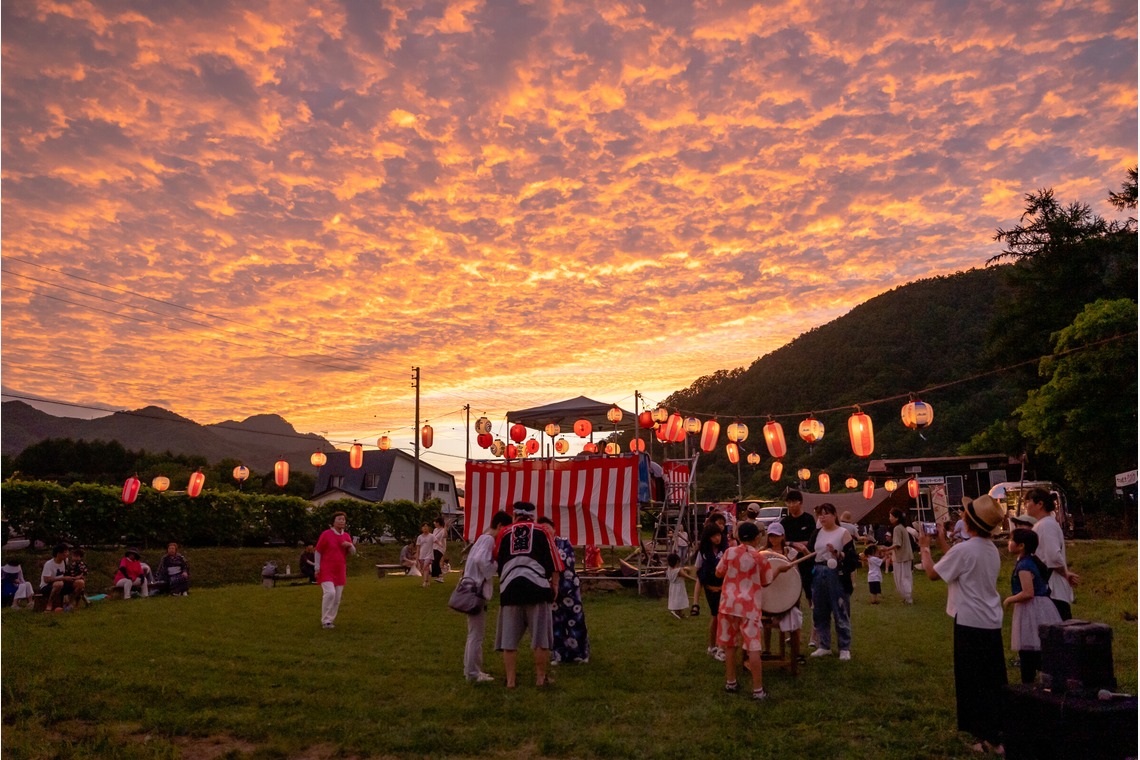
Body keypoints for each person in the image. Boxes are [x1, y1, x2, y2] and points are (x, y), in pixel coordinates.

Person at [918, 494, 1007, 756]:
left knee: (971, 681)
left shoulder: (965, 550)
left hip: (969, 621)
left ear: (969, 522)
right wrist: (943, 542)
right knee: (992, 679)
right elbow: (958, 562)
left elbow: (934, 574)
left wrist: (925, 547)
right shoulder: (989, 548)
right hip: (991, 620)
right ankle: (997, 735)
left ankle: (980, 738)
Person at [715, 521, 792, 701]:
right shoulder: (759, 558)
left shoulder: (729, 552)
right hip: (749, 606)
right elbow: (766, 581)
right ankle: (758, 690)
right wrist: (780, 569)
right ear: (757, 538)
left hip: (728, 604)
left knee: (730, 645)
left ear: (738, 537)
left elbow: (718, 573)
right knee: (753, 647)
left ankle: (731, 682)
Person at [494, 502, 562, 689]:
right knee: (541, 638)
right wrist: (554, 584)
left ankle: (510, 681)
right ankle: (540, 679)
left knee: (509, 640)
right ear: (533, 516)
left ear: (514, 515)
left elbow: (497, 558)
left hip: (510, 589)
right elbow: (555, 560)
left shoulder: (504, 533)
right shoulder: (543, 531)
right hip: (538, 588)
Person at [1003, 528, 1062, 685]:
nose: (1008, 543)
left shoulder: (1024, 566)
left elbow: (1028, 592)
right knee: (1038, 645)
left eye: (1011, 540)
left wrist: (1009, 600)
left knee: (1030, 646)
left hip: (1032, 607)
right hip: (1040, 606)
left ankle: (1029, 682)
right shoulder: (1030, 561)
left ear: (1021, 545)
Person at [462, 510, 513, 683]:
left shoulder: (482, 538)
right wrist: (496, 567)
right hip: (477, 590)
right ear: (500, 526)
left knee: (474, 633)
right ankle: (473, 672)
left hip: (472, 588)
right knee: (476, 634)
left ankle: (471, 670)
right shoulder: (489, 539)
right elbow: (481, 561)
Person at [538, 516, 590, 664]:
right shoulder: (539, 546)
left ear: (554, 529)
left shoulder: (564, 542)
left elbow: (567, 561)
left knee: (576, 620)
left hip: (569, 588)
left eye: (548, 528)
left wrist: (551, 562)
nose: (546, 531)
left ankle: (580, 653)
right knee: (555, 623)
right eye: (542, 529)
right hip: (550, 590)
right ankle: (558, 654)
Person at [809, 503, 857, 660]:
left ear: (835, 515)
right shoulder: (817, 533)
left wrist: (837, 553)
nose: (822, 517)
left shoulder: (843, 533)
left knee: (840, 609)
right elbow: (811, 552)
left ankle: (844, 647)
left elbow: (852, 558)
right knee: (820, 610)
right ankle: (824, 645)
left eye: (825, 514)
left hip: (836, 573)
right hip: (818, 571)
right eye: (820, 514)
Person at [1025, 488, 1079, 620]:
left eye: (1028, 501)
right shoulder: (1044, 524)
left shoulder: (1046, 525)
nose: (1026, 505)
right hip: (1050, 589)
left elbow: (1053, 557)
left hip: (1052, 590)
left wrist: (1065, 574)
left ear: (1040, 504)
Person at [762, 522, 804, 659]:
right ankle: (767, 650)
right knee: (766, 623)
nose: (773, 539)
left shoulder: (789, 552)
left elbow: (795, 575)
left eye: (776, 536)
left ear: (782, 536)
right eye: (771, 536)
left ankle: (796, 653)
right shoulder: (763, 553)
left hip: (786, 592)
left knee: (794, 621)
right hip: (769, 593)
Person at [314, 511, 356, 629]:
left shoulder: (346, 536)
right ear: (333, 521)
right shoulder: (326, 534)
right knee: (330, 593)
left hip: (340, 569)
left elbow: (353, 553)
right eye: (339, 519)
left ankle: (330, 620)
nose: (342, 521)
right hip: (326, 568)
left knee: (337, 597)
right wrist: (317, 567)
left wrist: (349, 545)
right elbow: (318, 551)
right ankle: (325, 620)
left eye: (343, 519)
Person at [693, 523, 727, 661]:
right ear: (708, 538)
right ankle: (715, 647)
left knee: (721, 617)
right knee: (716, 616)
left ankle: (718, 647)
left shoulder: (726, 549)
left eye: (718, 535)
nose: (717, 538)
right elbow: (699, 574)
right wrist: (695, 602)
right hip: (711, 589)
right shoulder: (703, 553)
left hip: (725, 588)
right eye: (713, 536)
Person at [889, 508, 914, 604]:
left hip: (901, 557)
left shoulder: (897, 529)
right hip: (905, 556)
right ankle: (906, 597)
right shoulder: (902, 527)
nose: (890, 518)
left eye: (891, 517)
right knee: (906, 576)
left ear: (896, 518)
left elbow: (897, 544)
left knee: (902, 577)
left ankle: (908, 597)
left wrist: (886, 549)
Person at [665, 553, 694, 619]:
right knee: (679, 599)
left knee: (675, 599)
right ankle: (676, 611)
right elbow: (686, 576)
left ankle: (679, 613)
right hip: (679, 587)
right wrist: (696, 580)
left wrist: (684, 568)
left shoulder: (669, 569)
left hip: (672, 587)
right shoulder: (678, 571)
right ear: (677, 561)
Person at [416, 523, 435, 588]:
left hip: (429, 555)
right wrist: (417, 557)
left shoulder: (431, 536)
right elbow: (418, 548)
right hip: (422, 555)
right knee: (424, 569)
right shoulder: (419, 537)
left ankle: (425, 582)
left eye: (426, 526)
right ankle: (427, 581)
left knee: (425, 567)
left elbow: (437, 541)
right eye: (423, 527)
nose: (425, 528)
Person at [431, 516, 448, 584]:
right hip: (434, 547)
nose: (435, 523)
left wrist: (446, 527)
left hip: (440, 548)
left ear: (439, 523)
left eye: (436, 522)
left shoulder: (443, 530)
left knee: (436, 561)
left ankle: (440, 576)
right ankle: (438, 577)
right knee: (434, 562)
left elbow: (445, 536)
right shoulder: (435, 530)